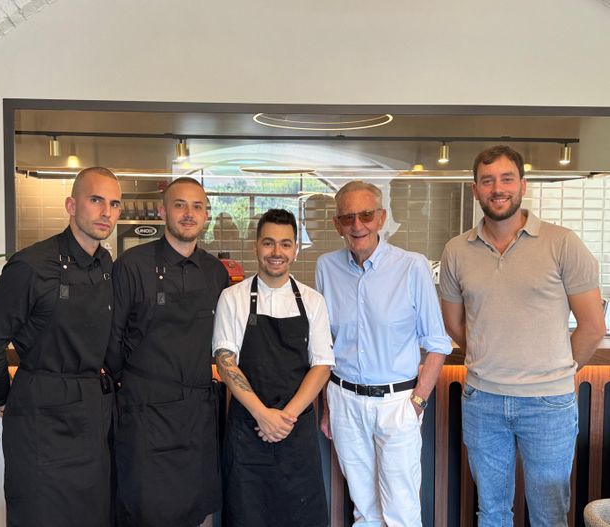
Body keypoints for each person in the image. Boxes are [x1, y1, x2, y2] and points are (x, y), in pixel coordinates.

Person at [439, 145, 607, 527]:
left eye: (506, 179)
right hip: (482, 400)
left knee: (549, 514)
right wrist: (489, 354)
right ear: (475, 190)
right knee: (492, 512)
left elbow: (593, 326)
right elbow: (454, 323)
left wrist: (555, 370)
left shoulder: (562, 243)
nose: (497, 188)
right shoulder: (456, 251)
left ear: (523, 185)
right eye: (487, 181)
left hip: (549, 405)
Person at [0, 167, 122, 527]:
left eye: (115, 204)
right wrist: (1, 395)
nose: (106, 212)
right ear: (71, 205)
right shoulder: (31, 265)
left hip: (91, 413)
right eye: (96, 200)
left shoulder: (106, 264)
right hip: (41, 414)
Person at [316, 180, 451, 527]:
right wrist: (329, 406)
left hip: (397, 403)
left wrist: (417, 403)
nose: (357, 225)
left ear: (381, 218)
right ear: (337, 224)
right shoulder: (326, 267)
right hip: (345, 402)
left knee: (401, 511)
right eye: (347, 218)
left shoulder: (412, 266)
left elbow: (437, 343)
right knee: (364, 508)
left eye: (365, 215)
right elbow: (326, 344)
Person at [107, 177, 229, 527]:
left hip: (197, 412)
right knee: (144, 509)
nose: (188, 213)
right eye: (179, 205)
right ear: (163, 212)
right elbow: (112, 340)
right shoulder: (132, 265)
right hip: (145, 412)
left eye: (197, 206)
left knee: (194, 510)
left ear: (206, 215)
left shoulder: (215, 272)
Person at [213, 209, 334, 527]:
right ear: (256, 246)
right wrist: (263, 415)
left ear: (295, 249)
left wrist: (285, 418)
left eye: (285, 244)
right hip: (248, 429)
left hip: (296, 430)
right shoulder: (233, 297)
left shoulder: (313, 301)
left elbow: (322, 365)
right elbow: (225, 361)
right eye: (268, 243)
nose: (276, 252)